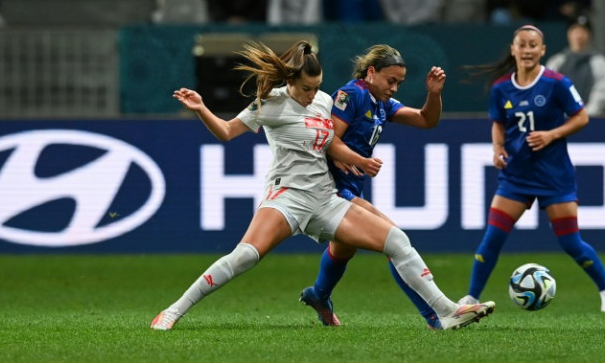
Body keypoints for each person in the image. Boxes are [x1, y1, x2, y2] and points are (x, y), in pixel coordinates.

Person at [151, 40, 496, 331]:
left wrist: (350, 157)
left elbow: (330, 140)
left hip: (325, 198)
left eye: (317, 87)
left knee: (397, 241)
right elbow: (227, 132)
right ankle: (173, 311)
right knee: (245, 256)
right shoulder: (269, 104)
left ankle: (447, 312)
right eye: (306, 88)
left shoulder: (324, 101)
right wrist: (201, 109)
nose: (312, 94)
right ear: (291, 80)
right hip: (286, 198)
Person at [458, 24, 605, 313]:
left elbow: (581, 118)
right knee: (492, 238)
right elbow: (498, 122)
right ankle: (471, 298)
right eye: (522, 44)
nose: (528, 50)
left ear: (542, 50)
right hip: (516, 176)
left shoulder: (557, 83)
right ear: (513, 49)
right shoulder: (501, 88)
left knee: (571, 243)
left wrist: (552, 134)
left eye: (533, 45)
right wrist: (498, 149)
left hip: (553, 176)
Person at [298, 44, 452, 329]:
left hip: (351, 187)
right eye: (390, 80)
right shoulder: (352, 94)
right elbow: (329, 138)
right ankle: (434, 316)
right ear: (371, 72)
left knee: (344, 249)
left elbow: (425, 120)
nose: (394, 88)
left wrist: (434, 94)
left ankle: (319, 295)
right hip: (330, 188)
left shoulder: (380, 103)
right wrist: (359, 160)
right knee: (396, 243)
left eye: (400, 83)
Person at [546, 17, 605, 115]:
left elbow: (603, 91)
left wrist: (586, 114)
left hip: (591, 120)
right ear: (568, 34)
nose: (579, 36)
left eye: (583, 32)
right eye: (575, 31)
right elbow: (547, 90)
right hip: (560, 122)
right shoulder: (557, 62)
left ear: (590, 35)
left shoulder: (599, 62)